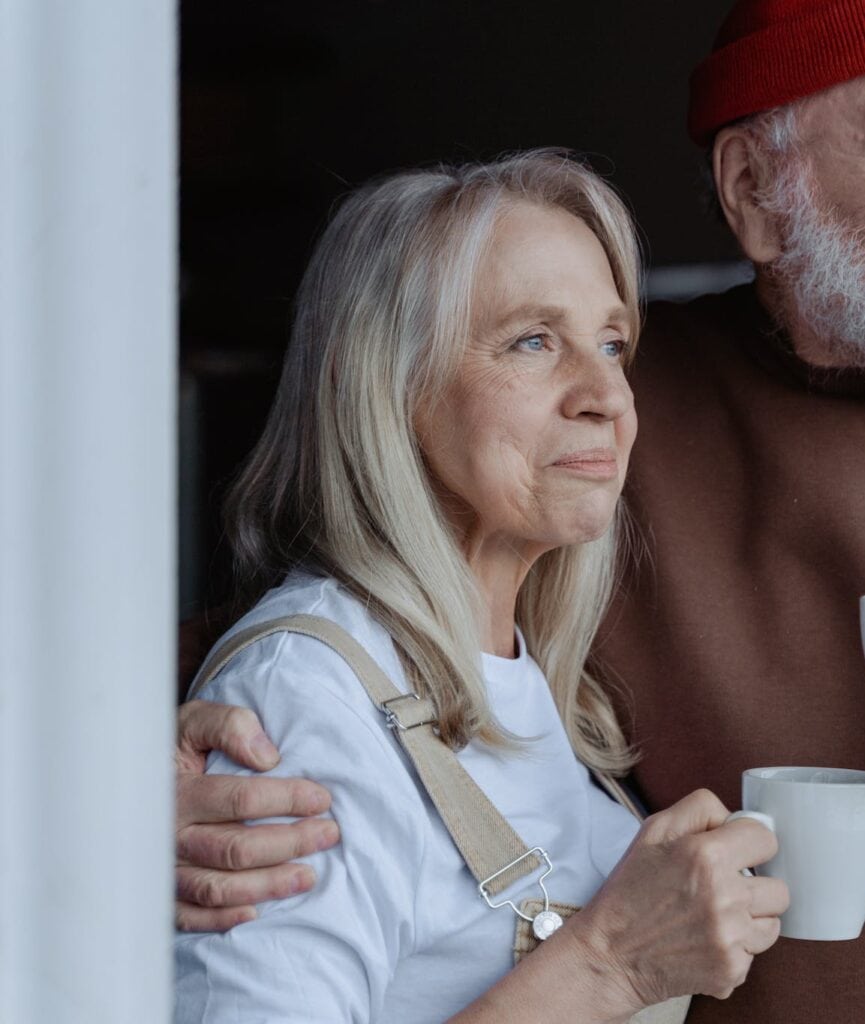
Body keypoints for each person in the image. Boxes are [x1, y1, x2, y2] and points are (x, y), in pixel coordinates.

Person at [176, 1, 865, 1020]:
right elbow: (287, 669)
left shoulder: (536, 648)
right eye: (534, 340)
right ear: (755, 189)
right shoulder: (600, 440)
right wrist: (92, 781)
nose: (600, 387)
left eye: (609, 343)